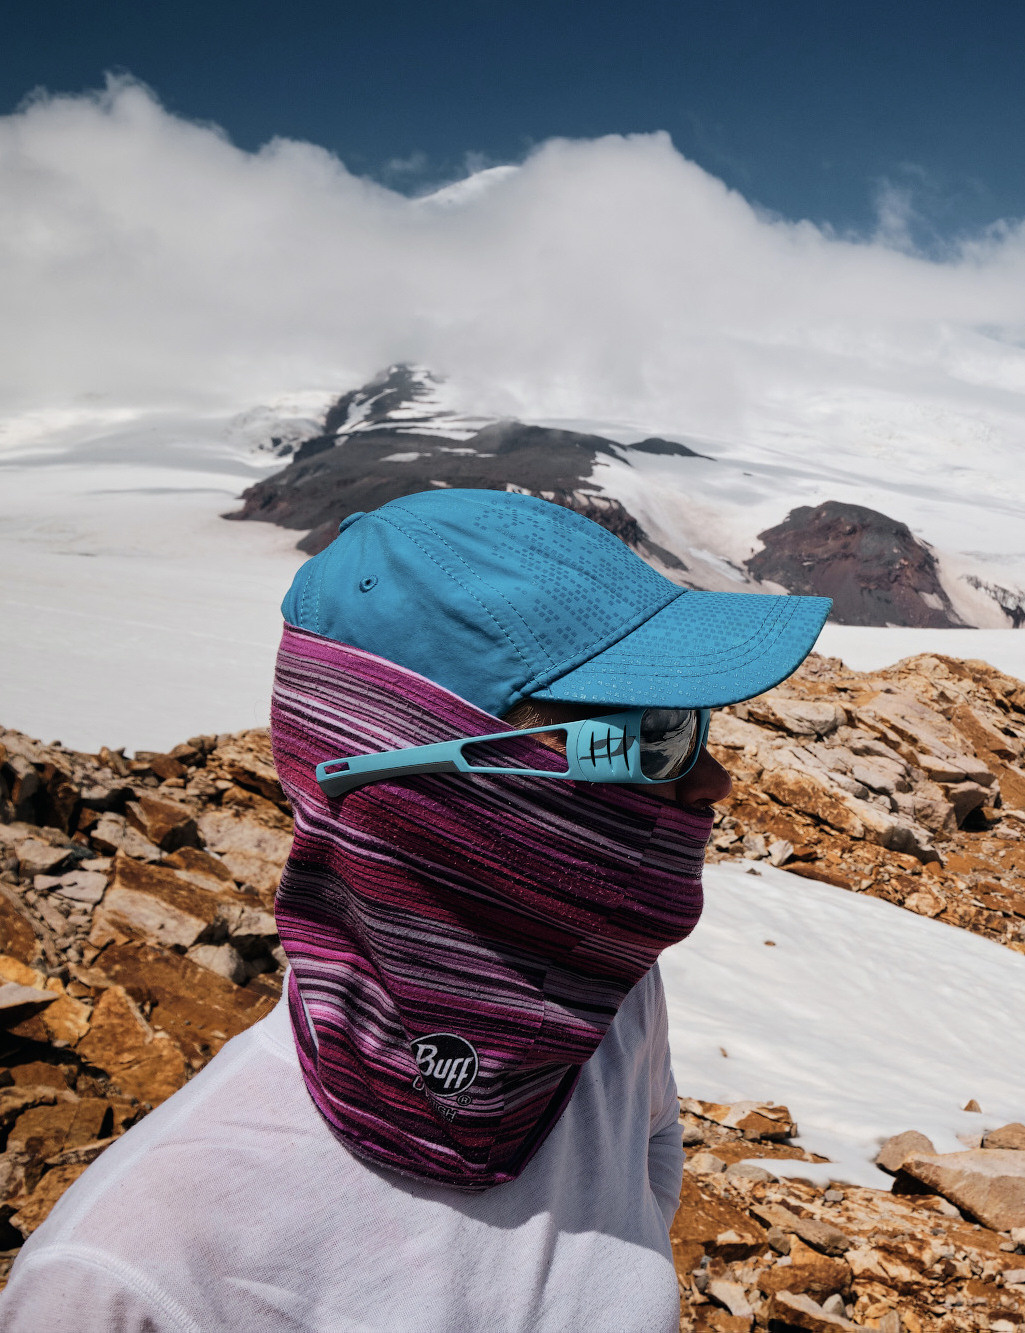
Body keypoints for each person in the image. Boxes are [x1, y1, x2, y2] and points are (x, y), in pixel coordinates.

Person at [0, 489, 831, 1331]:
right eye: (648, 732)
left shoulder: (607, 1000)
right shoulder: (125, 1278)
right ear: (424, 789)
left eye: (695, 722)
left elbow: (650, 1153)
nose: (713, 780)